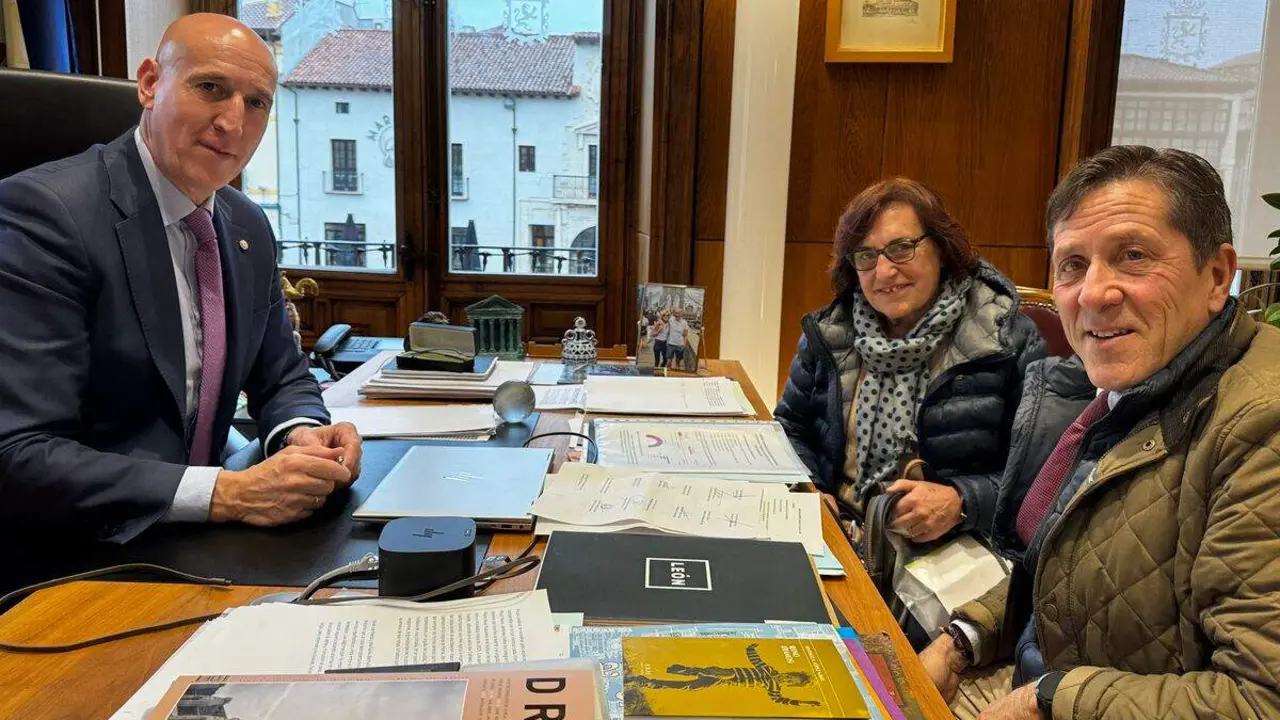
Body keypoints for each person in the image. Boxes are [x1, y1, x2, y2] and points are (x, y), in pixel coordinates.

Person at [919, 146, 1280, 719]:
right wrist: (963, 636)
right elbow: (1065, 567)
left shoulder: (1262, 424)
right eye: (1072, 265)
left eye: (1133, 256)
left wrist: (1048, 699)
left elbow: (1260, 700)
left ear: (1216, 277)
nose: (1093, 293)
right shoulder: (1127, 390)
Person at [0, 14, 363, 551]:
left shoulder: (245, 225)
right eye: (210, 88)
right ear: (150, 84)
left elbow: (282, 377)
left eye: (256, 103)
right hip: (76, 555)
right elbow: (18, 452)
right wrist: (230, 493)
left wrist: (300, 433)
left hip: (200, 542)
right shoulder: (45, 215)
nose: (233, 123)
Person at [775, 178, 1044, 549]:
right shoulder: (829, 333)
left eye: (901, 248)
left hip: (953, 553)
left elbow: (1044, 478)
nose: (884, 272)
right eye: (866, 255)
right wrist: (810, 491)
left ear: (942, 248)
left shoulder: (1006, 340)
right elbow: (790, 428)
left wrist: (963, 502)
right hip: (840, 538)